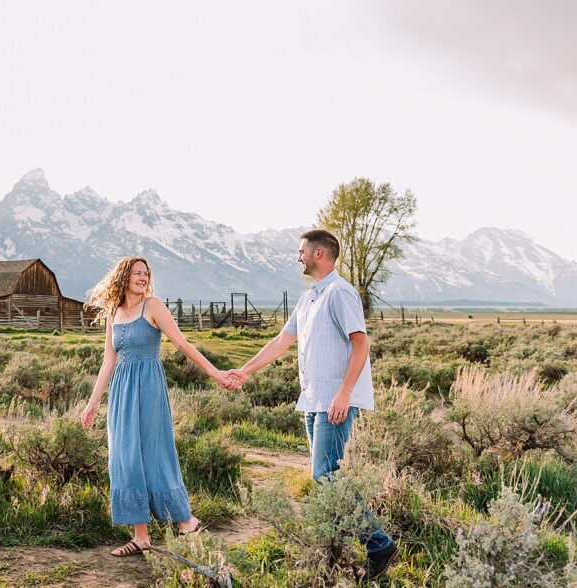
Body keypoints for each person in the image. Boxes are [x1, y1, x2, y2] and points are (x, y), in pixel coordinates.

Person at [226, 229, 398, 580]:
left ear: (319, 254)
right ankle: (334, 548)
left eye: (301, 251)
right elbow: (281, 342)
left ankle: (378, 543)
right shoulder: (308, 298)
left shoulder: (340, 293)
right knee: (326, 478)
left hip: (335, 401)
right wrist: (244, 371)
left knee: (326, 476)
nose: (298, 256)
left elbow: (361, 344)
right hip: (314, 400)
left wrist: (345, 392)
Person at [81, 256, 241, 557]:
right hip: (121, 393)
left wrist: (216, 373)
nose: (142, 277)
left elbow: (182, 344)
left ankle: (185, 521)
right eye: (136, 273)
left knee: (154, 455)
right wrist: (92, 404)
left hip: (149, 388)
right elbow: (109, 360)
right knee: (125, 459)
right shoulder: (114, 312)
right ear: (123, 277)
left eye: (146, 273)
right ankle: (141, 537)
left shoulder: (153, 306)